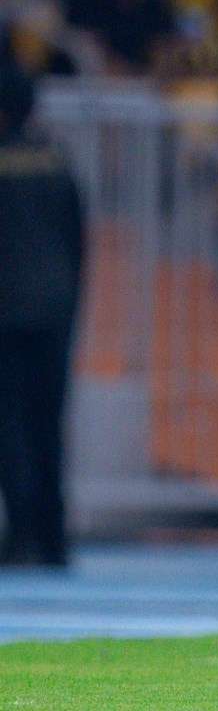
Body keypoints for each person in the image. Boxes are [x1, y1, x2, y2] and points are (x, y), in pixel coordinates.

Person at [0, 65, 85, 569]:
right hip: (55, 311)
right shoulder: (55, 159)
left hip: (6, 314)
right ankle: (55, 538)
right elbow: (77, 238)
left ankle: (26, 534)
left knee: (9, 427)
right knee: (49, 425)